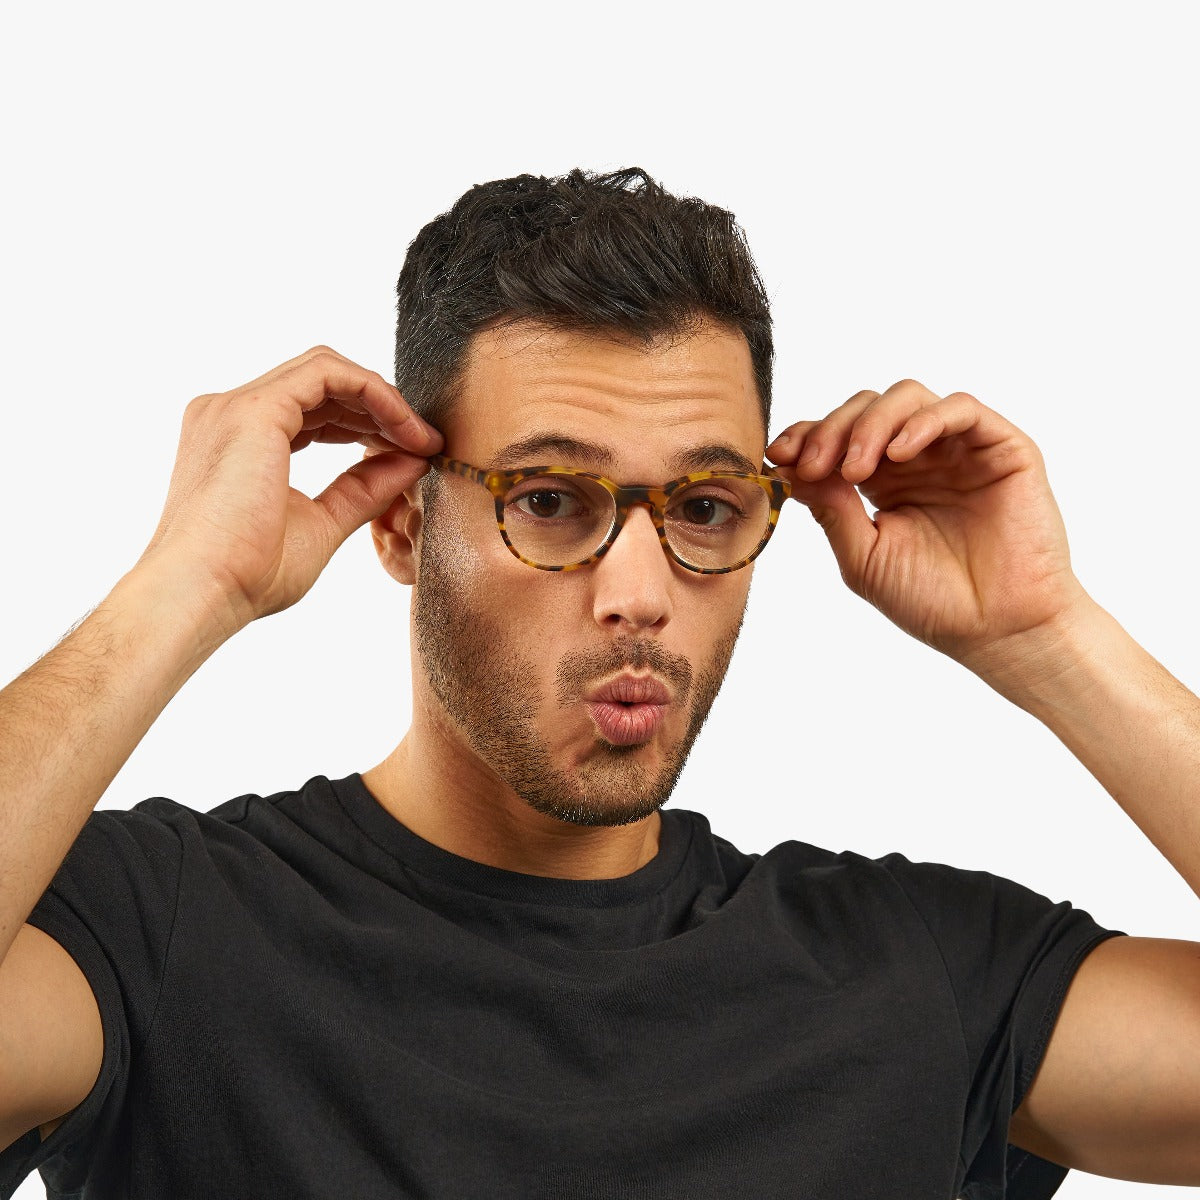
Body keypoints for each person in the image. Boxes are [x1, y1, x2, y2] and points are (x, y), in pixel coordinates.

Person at [0, 167, 1197, 1200]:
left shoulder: (914, 973)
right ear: (403, 523)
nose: (639, 593)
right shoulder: (160, 930)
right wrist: (185, 587)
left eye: (706, 507)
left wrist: (1046, 635)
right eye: (549, 499)